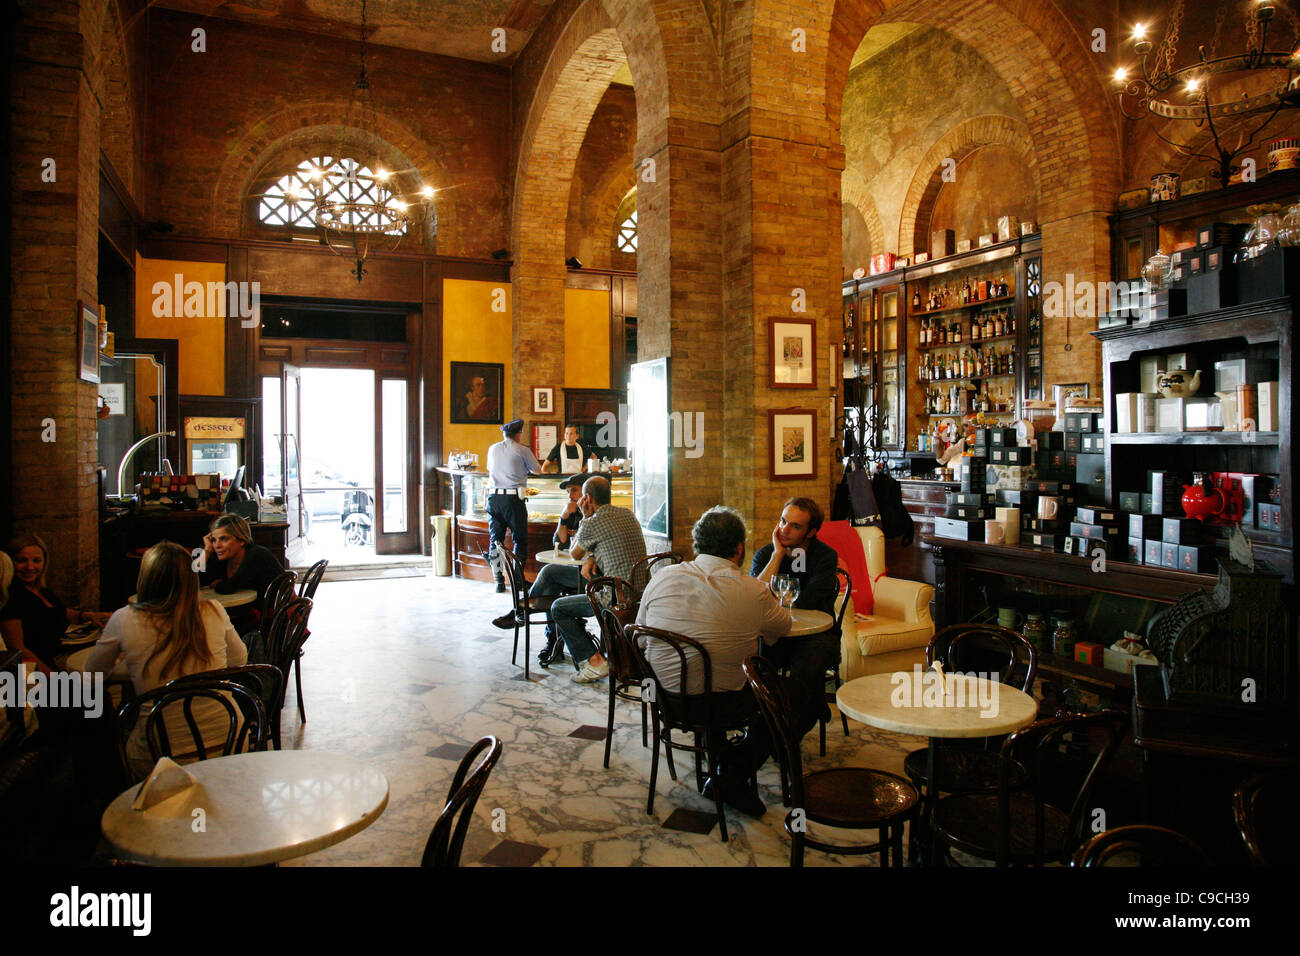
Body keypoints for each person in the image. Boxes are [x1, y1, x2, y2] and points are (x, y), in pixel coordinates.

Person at [637, 506, 818, 817]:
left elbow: (639, 637)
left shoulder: (663, 576)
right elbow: (782, 628)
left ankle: (721, 757)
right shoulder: (752, 591)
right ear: (739, 548)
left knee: (715, 672)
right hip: (719, 703)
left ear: (697, 544)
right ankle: (731, 772)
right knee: (797, 694)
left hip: (665, 699)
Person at [85, 541, 248, 778]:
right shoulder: (214, 609)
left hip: (159, 757)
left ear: (146, 577)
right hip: (229, 742)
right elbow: (240, 658)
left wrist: (135, 668)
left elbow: (92, 675)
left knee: (111, 731)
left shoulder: (124, 619)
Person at [749, 497, 842, 708]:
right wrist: (777, 555)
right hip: (775, 634)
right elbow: (754, 597)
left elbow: (809, 599)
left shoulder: (825, 556)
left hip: (817, 635)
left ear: (811, 532)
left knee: (807, 670)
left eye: (795, 526)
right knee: (751, 662)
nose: (784, 529)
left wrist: (774, 599)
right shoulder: (766, 554)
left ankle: (801, 717)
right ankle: (768, 720)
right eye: (783, 521)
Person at [553, 475, 646, 683]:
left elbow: (574, 554)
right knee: (552, 574)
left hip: (616, 598)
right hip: (640, 593)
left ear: (587, 498)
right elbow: (609, 542)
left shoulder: (593, 522)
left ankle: (594, 662)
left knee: (558, 607)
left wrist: (585, 517)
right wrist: (593, 557)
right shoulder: (628, 514)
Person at [491, 473, 585, 668]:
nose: (570, 496)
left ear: (586, 492)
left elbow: (577, 551)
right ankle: (552, 642)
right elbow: (559, 543)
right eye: (568, 492)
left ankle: (521, 612)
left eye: (574, 491)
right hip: (572, 570)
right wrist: (564, 517)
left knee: (550, 573)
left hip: (586, 574)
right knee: (551, 587)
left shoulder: (593, 514)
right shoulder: (571, 511)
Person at [1, 534, 110, 672]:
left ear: (44, 562)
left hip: (61, 652)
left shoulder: (40, 590)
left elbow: (58, 612)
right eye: (21, 560)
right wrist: (55, 680)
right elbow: (17, 649)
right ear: (10, 562)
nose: (30, 567)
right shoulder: (12, 598)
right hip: (46, 665)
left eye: (36, 560)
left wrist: (87, 615)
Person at [200, 514, 285, 633]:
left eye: (224, 539)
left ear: (241, 540)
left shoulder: (256, 555)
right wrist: (207, 550)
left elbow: (226, 588)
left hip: (273, 625)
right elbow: (195, 579)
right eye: (213, 540)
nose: (217, 545)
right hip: (248, 617)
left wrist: (215, 583)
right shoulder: (224, 556)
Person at [486, 418, 542, 594]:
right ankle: (518, 580)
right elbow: (538, 470)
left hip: (493, 498)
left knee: (496, 540)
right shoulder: (522, 450)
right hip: (512, 500)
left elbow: (490, 468)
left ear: (504, 434)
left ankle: (498, 581)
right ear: (519, 434)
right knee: (520, 540)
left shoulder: (492, 448)